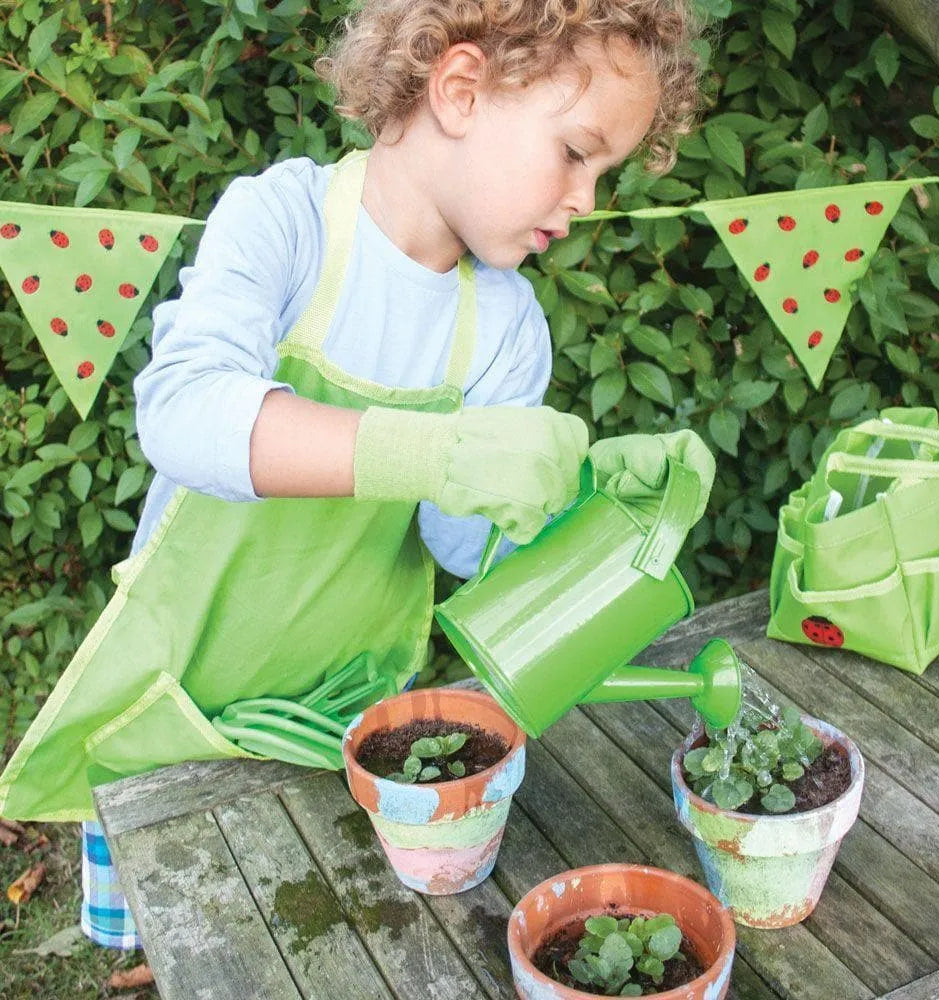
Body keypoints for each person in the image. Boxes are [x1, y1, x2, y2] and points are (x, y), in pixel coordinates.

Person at [0, 0, 712, 950]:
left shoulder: (505, 328)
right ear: (460, 91)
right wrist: (429, 450)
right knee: (179, 945)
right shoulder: (286, 221)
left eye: (605, 173)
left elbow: (469, 549)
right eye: (576, 153)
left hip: (351, 719)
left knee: (317, 947)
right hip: (179, 707)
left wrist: (581, 497)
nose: (587, 200)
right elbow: (182, 411)